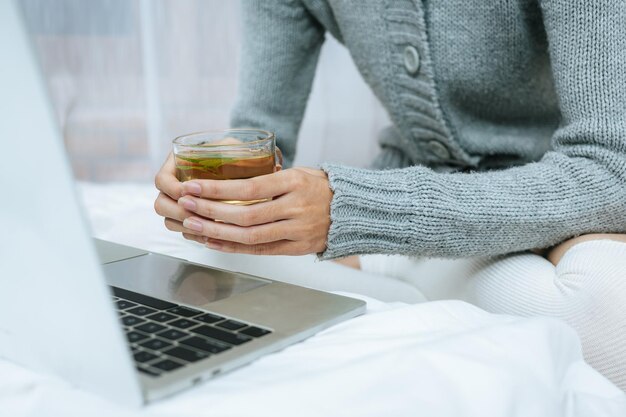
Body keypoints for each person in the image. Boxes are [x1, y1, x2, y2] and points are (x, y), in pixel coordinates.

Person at [153, 1, 626, 389]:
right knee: (188, 260)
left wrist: (355, 209)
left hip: (550, 210)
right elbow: (262, 135)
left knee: (607, 312)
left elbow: (610, 169)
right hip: (393, 230)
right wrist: (212, 189)